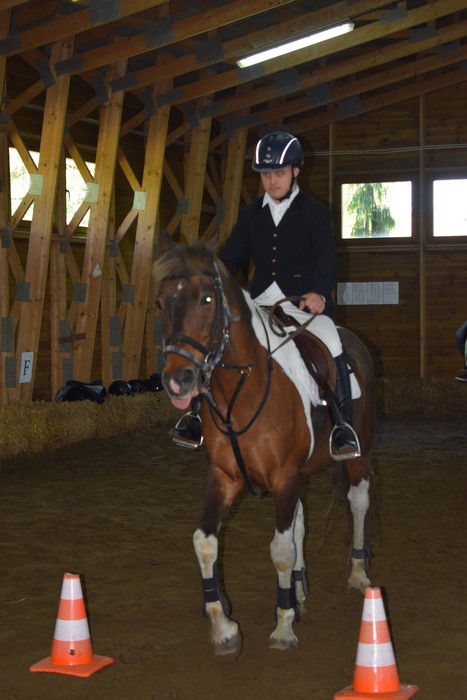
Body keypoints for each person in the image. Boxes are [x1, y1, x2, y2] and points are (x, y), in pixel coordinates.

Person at [171, 131, 361, 461]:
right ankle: (197, 416)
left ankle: (343, 425)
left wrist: (319, 293)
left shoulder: (316, 213)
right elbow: (231, 257)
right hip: (259, 303)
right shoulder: (250, 215)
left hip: (302, 304)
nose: (272, 181)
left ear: (296, 171)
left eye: (280, 173)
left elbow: (327, 257)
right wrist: (210, 279)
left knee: (332, 341)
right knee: (218, 341)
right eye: (266, 174)